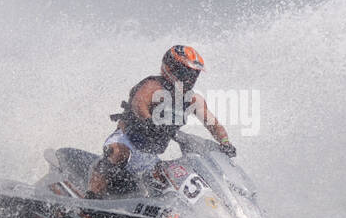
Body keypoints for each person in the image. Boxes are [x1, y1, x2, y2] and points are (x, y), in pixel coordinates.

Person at [86, 45, 237, 198]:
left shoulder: (192, 99)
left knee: (175, 175)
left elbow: (213, 124)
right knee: (118, 152)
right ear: (171, 67)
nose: (190, 79)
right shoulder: (153, 85)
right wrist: (149, 121)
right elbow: (139, 104)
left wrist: (225, 143)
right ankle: (91, 197)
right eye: (186, 72)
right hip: (126, 141)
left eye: (194, 75)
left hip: (149, 157)